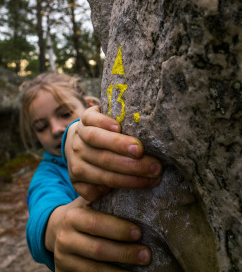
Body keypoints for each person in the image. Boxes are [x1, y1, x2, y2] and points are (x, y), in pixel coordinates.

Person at [19, 73, 162, 272]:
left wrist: (74, 132)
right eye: (41, 127)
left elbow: (76, 130)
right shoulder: (47, 174)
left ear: (89, 106)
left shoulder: (117, 130)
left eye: (65, 113)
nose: (55, 129)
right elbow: (41, 210)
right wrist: (54, 229)